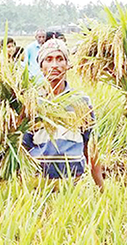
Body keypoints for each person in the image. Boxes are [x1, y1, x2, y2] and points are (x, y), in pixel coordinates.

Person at [22, 39, 103, 188]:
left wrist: (101, 188)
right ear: (41, 66)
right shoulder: (32, 101)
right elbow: (23, 147)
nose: (54, 65)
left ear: (67, 65)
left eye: (60, 59)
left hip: (73, 184)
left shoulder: (81, 102)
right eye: (49, 59)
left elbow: (90, 146)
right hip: (39, 184)